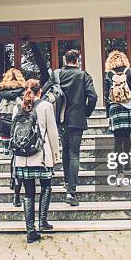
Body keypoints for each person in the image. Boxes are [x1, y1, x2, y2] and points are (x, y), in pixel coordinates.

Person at [43, 49, 98, 206]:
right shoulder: (83, 76)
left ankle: (67, 182)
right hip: (77, 120)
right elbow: (93, 97)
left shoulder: (56, 75)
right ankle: (71, 192)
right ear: (77, 60)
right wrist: (86, 112)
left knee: (66, 151)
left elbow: (44, 93)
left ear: (64, 59)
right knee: (74, 153)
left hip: (60, 120)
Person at [12, 79, 60, 243]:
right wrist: (55, 155)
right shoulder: (46, 106)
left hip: (22, 157)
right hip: (41, 155)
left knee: (28, 191)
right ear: (40, 91)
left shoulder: (17, 106)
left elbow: (14, 132)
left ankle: (30, 230)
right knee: (46, 185)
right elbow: (52, 133)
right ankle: (43, 221)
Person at [103, 51, 131, 174]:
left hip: (115, 109)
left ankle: (119, 169)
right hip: (129, 107)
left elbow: (106, 96)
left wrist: (108, 114)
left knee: (117, 139)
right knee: (127, 137)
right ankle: (127, 165)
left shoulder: (108, 75)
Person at [0, 68, 26, 207]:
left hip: (5, 129)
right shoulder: (24, 91)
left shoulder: (0, 92)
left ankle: (13, 180)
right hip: (19, 129)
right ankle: (15, 182)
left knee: (12, 155)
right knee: (18, 157)